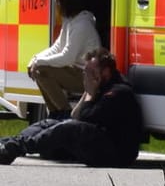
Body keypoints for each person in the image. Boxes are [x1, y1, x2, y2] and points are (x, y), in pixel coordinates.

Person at [0, 48, 141, 168]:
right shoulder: (100, 86)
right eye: (85, 71)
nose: (85, 75)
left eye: (89, 71)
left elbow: (84, 119)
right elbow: (75, 115)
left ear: (105, 72)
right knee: (50, 123)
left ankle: (14, 149)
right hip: (99, 144)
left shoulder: (118, 92)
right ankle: (8, 143)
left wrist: (90, 94)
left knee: (68, 128)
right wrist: (87, 91)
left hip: (117, 154)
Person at [26, 0, 101, 116]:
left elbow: (67, 57)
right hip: (76, 71)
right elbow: (57, 47)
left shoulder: (82, 25)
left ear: (67, 4)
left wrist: (38, 62)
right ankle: (54, 113)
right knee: (39, 69)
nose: (56, 6)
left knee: (41, 70)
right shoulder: (70, 21)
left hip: (88, 76)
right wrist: (35, 58)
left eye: (58, 2)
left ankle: (64, 113)